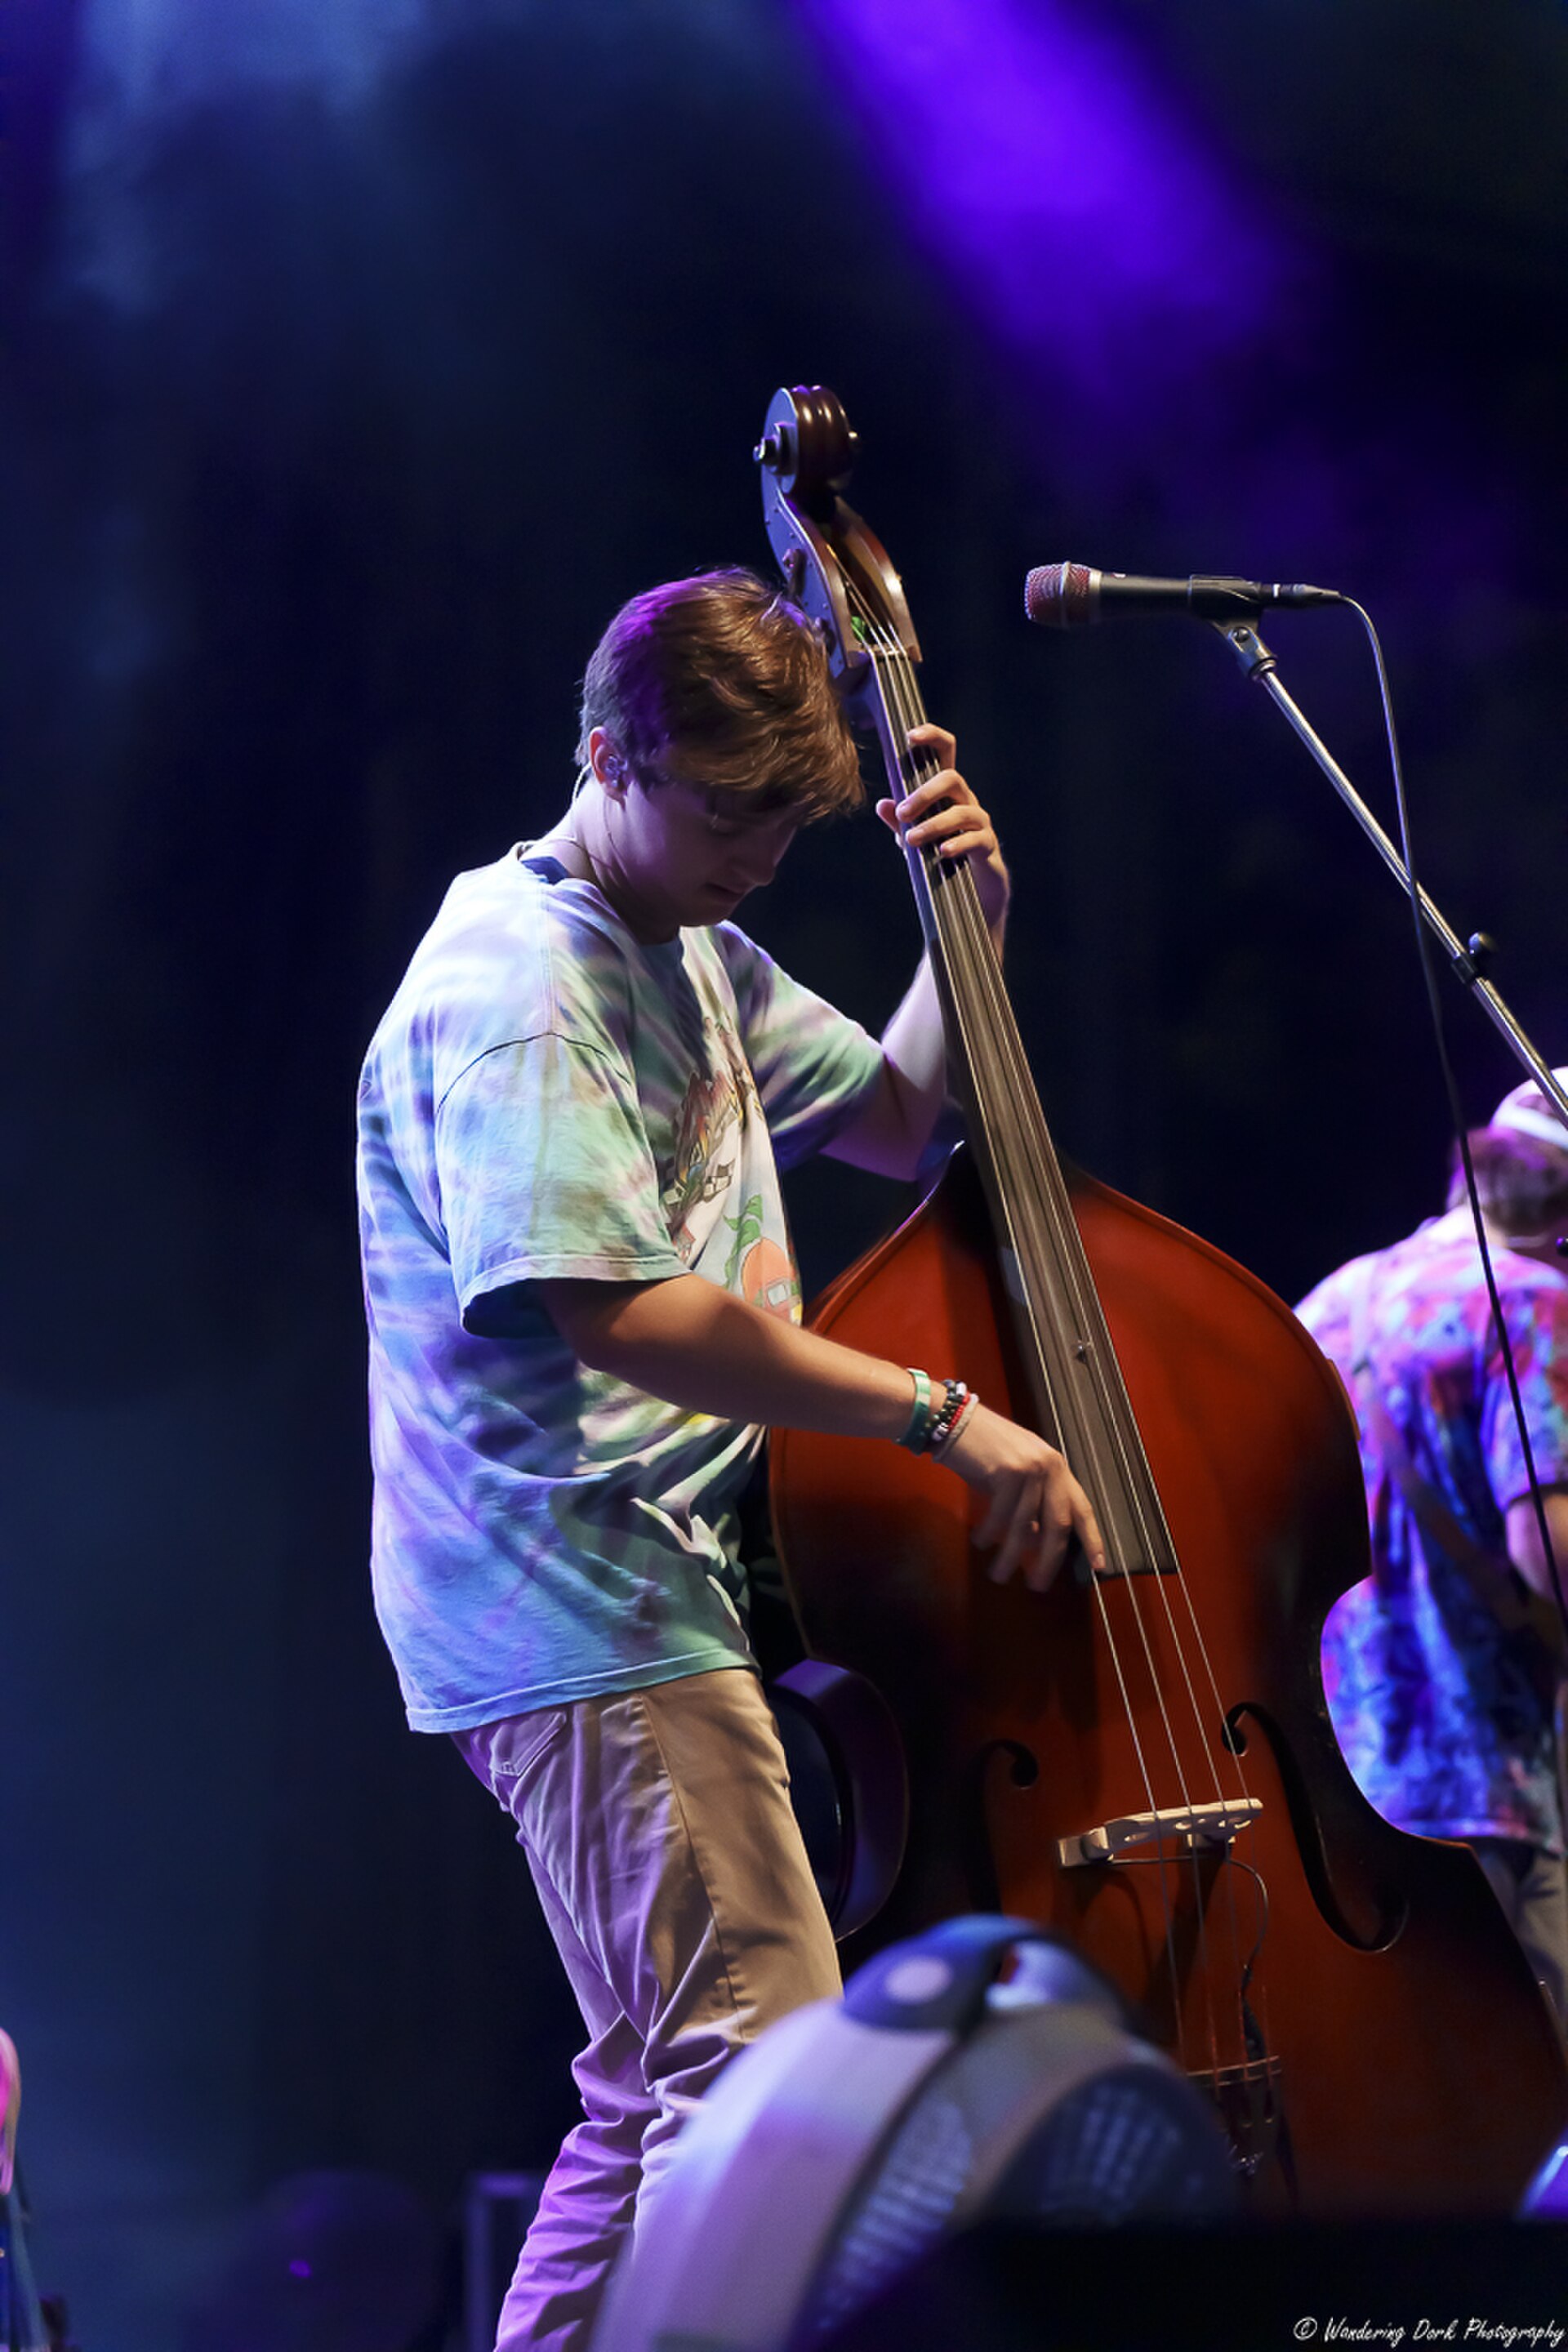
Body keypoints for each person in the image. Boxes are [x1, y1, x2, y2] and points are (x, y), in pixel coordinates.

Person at [355, 569, 1102, 2352]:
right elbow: (620, 1315)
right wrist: (939, 1410)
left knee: (659, 2100)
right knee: (756, 2074)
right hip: (581, 1587)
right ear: (613, 754)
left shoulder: (683, 935)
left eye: (788, 821)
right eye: (729, 813)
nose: (761, 853)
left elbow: (905, 1115)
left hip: (629, 1589)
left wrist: (965, 928)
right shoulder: (527, 987)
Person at [1295, 1070, 1568, 2025]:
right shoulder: (1536, 1306)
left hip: (1339, 1781)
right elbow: (1551, 1555)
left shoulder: (1334, 1302)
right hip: (1490, 1777)